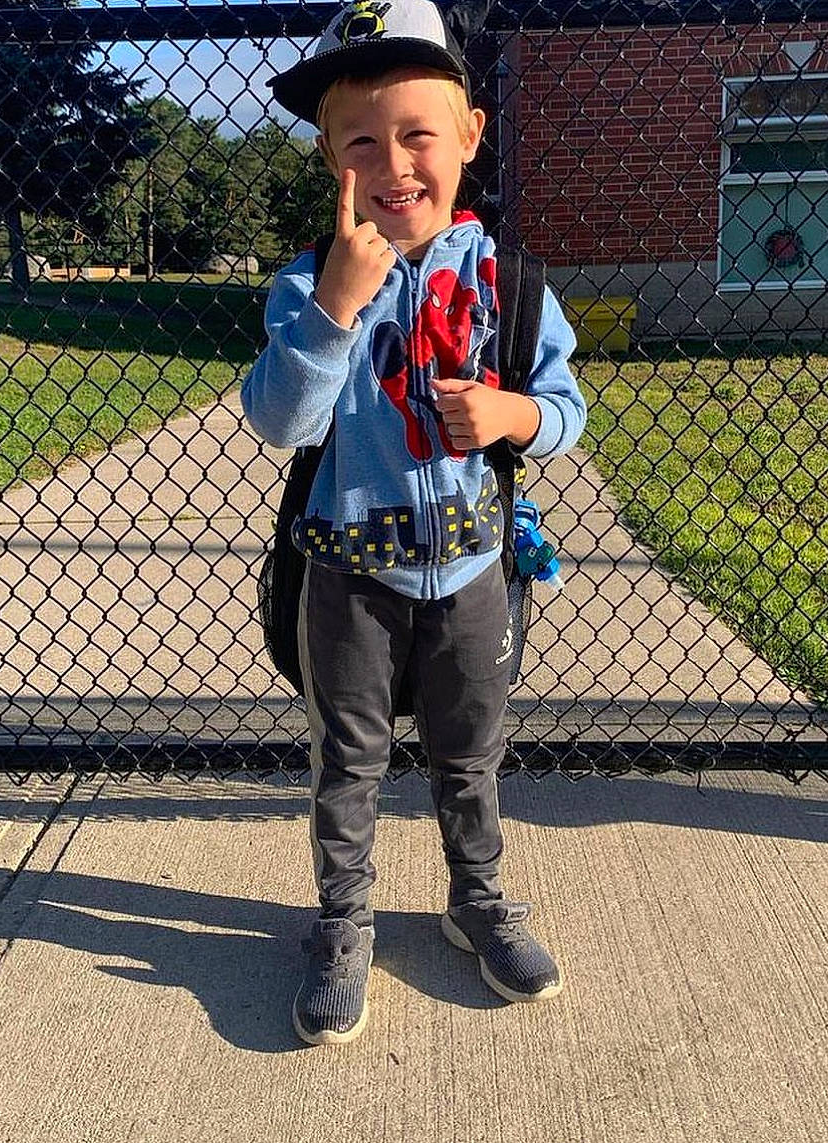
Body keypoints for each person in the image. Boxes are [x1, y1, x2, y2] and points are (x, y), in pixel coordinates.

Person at [242, 0, 587, 1046]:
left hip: (473, 570)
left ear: (469, 136)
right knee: (348, 760)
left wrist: (515, 413)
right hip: (350, 578)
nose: (392, 163)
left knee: (470, 752)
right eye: (360, 140)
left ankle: (474, 896)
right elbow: (279, 420)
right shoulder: (308, 283)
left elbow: (564, 409)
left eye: (416, 134)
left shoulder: (508, 282)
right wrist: (336, 310)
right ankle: (343, 922)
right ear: (327, 155)